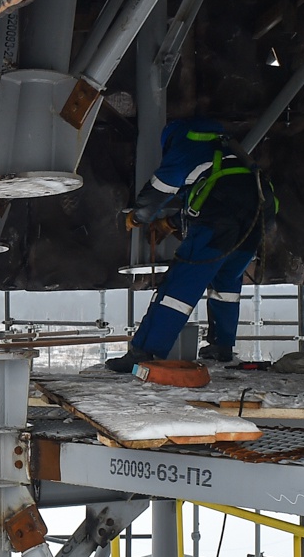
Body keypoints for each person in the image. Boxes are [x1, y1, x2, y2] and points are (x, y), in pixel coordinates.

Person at [106, 118, 269, 371]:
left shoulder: (185, 147)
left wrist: (138, 216)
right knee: (226, 284)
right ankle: (221, 347)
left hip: (220, 222)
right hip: (258, 218)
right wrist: (171, 223)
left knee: (177, 289)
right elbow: (215, 192)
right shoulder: (228, 151)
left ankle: (144, 352)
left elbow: (159, 190)